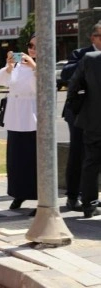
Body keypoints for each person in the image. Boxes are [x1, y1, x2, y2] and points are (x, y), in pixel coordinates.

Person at [0, 34, 38, 215]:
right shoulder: (18, 66)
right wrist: (10, 67)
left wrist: (35, 67)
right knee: (16, 160)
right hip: (15, 117)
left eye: (37, 46)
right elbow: (0, 80)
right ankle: (19, 193)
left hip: (33, 116)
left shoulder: (44, 65)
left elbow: (44, 85)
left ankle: (41, 199)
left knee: (34, 161)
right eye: (30, 45)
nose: (32, 49)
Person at [60, 21, 101, 211]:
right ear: (93, 37)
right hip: (79, 115)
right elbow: (67, 76)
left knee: (91, 158)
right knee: (78, 154)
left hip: (95, 116)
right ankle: (72, 196)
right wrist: (87, 62)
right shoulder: (81, 54)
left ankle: (89, 198)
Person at [67, 48, 101, 218]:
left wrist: (78, 109)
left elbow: (73, 86)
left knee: (91, 163)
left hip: (94, 121)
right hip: (93, 121)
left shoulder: (90, 58)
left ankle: (89, 205)